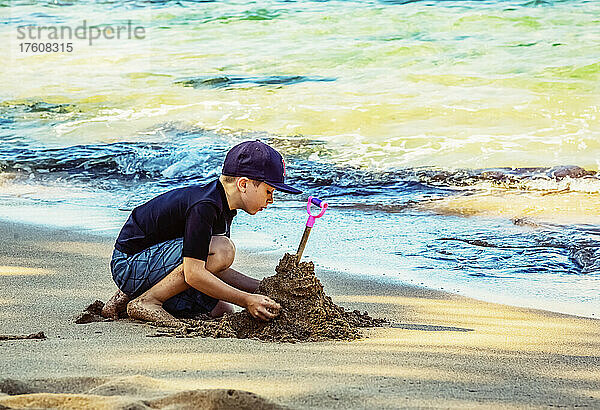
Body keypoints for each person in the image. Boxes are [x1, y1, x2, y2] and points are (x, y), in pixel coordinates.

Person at [101, 140, 302, 324]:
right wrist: (246, 300)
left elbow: (215, 267)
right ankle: (148, 300)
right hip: (129, 264)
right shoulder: (205, 206)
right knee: (223, 249)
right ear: (243, 184)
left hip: (151, 264)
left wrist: (264, 287)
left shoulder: (224, 207)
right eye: (269, 191)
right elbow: (194, 273)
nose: (271, 200)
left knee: (223, 310)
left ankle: (128, 296)